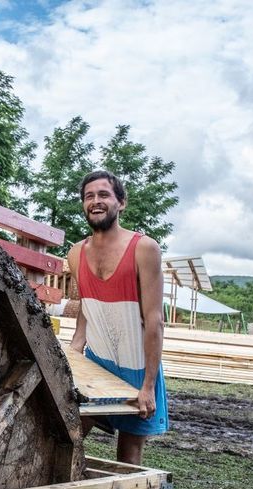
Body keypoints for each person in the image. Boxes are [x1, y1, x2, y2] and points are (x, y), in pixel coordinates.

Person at [68, 169, 169, 465]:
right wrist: (75, 351)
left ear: (121, 202)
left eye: (103, 195)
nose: (95, 201)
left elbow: (154, 321)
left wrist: (148, 385)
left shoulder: (144, 249)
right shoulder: (75, 254)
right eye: (89, 196)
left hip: (137, 367)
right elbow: (88, 307)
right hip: (97, 363)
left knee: (128, 456)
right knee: (68, 434)